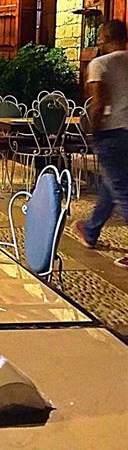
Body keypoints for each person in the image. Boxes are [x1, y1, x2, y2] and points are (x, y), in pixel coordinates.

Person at [75, 20, 128, 267]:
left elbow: (98, 102)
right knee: (112, 183)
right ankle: (91, 229)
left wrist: (92, 131)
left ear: (104, 37)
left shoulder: (99, 64)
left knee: (122, 189)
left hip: (112, 131)